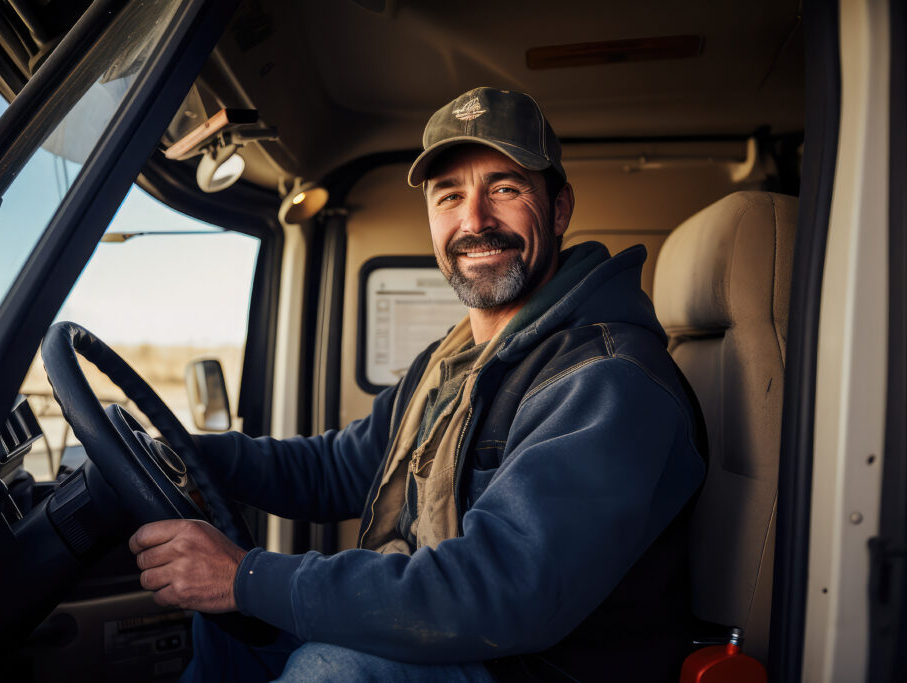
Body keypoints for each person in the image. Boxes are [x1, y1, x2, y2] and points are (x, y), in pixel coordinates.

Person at [129, 87, 707, 682]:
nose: (474, 220)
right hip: (468, 636)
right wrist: (198, 456)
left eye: (505, 189)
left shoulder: (607, 379)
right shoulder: (455, 360)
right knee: (228, 630)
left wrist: (245, 577)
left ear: (559, 210)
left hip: (534, 665)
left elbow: (500, 588)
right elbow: (338, 468)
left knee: (329, 672)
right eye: (450, 195)